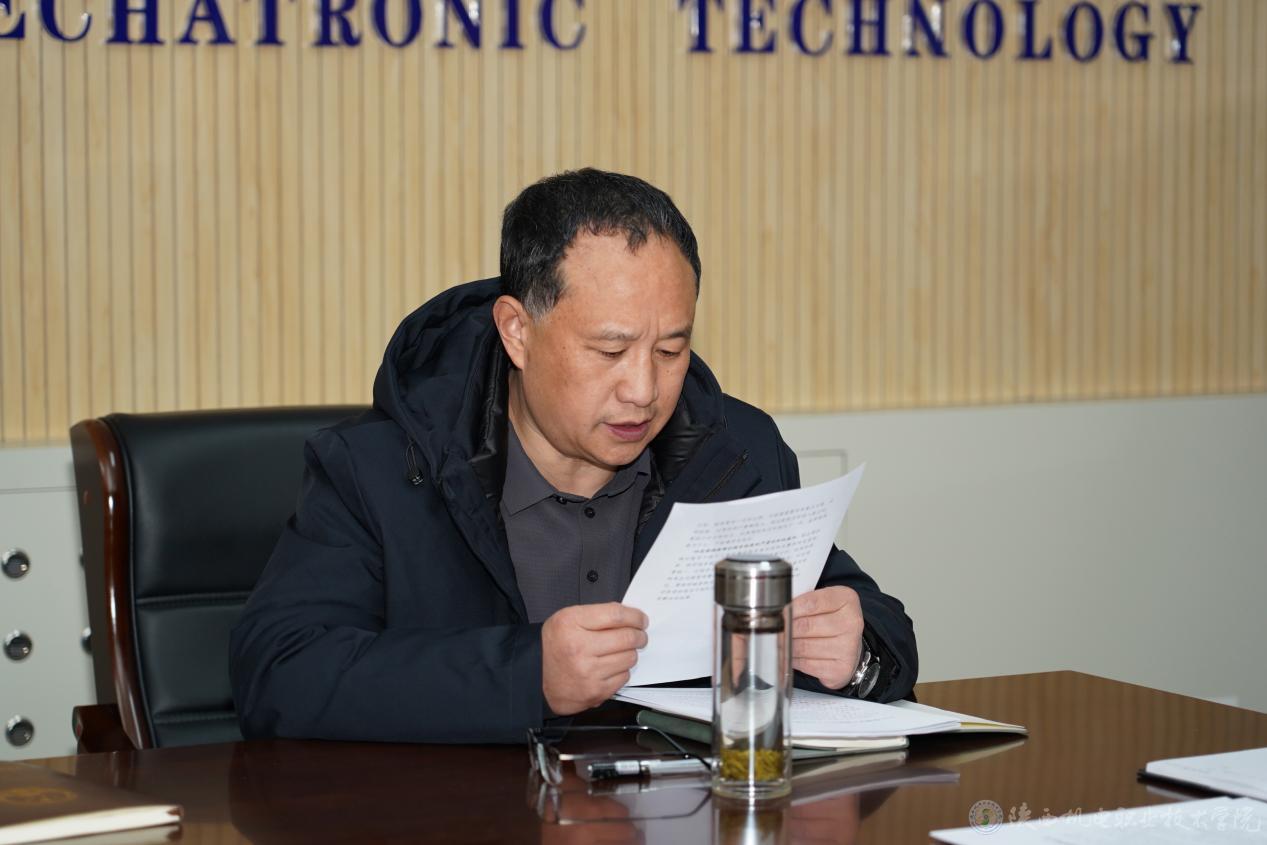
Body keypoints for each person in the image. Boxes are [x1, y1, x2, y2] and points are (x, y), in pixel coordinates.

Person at [230, 169, 917, 743]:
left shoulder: (732, 453)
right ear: (517, 332)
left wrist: (857, 654)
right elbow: (279, 672)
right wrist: (526, 674)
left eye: (670, 349)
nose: (643, 389)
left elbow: (869, 617)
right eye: (609, 350)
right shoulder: (383, 468)